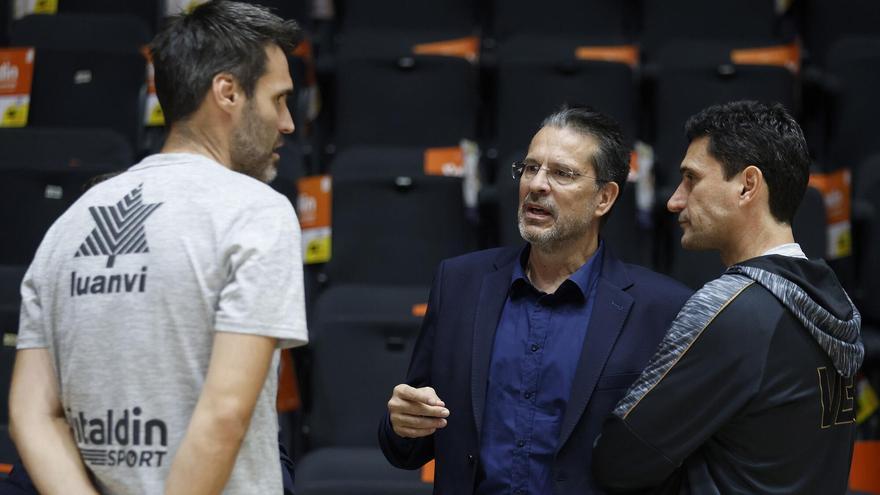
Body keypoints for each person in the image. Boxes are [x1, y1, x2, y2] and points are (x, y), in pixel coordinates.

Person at [7, 2, 308, 494]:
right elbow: (225, 413)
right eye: (278, 100)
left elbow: (31, 413)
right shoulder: (256, 211)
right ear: (228, 92)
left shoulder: (72, 222)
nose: (288, 123)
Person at [379, 106, 692, 494]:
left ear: (604, 198)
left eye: (561, 173)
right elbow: (409, 445)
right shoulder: (459, 284)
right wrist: (401, 423)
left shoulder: (661, 310)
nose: (537, 185)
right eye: (530, 168)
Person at [592, 100, 864, 494]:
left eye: (692, 179)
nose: (675, 201)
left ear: (747, 185)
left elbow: (618, 462)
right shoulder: (832, 300)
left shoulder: (735, 309)